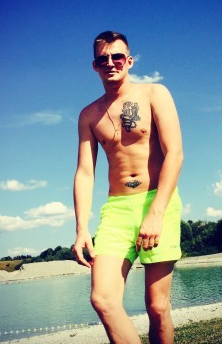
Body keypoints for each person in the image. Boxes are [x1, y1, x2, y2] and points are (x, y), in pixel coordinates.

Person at [73, 31, 183, 344]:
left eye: (117, 56)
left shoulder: (154, 94)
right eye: (102, 59)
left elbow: (175, 153)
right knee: (103, 299)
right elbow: (85, 173)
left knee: (157, 308)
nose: (110, 63)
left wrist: (156, 213)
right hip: (117, 209)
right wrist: (81, 229)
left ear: (129, 61)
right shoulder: (89, 115)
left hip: (158, 202)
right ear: (94, 66)